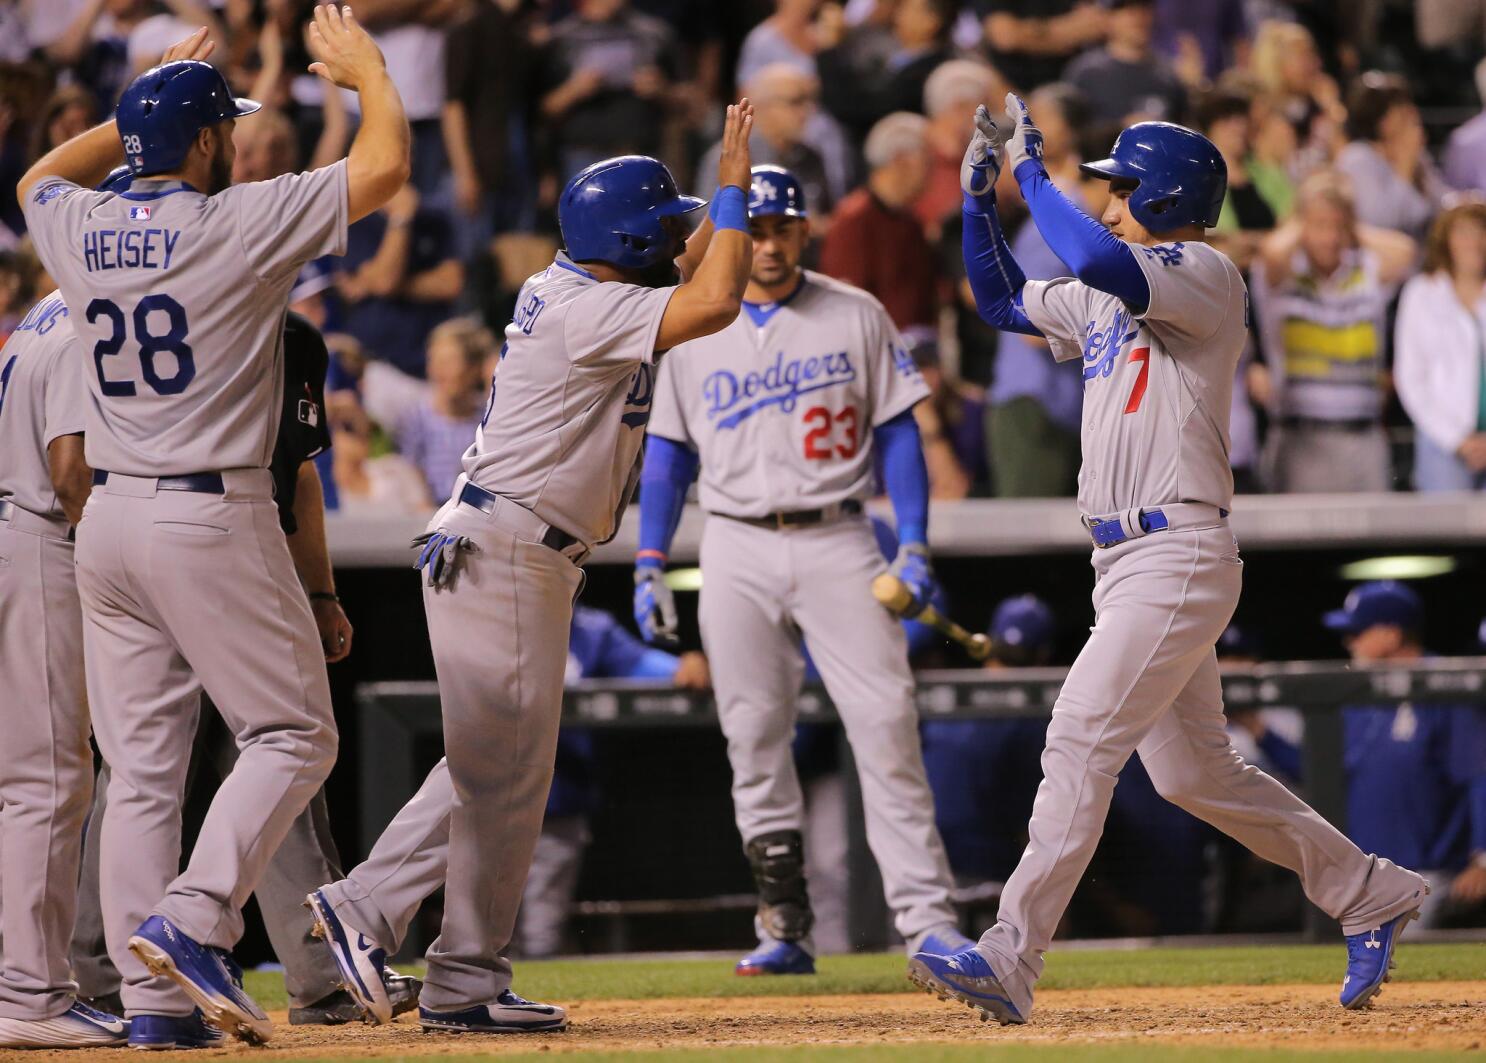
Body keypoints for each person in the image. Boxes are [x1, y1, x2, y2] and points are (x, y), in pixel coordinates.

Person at [911, 94, 1429, 1025]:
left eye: (1120, 186)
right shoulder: (1111, 291)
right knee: (1194, 774)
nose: (1108, 201)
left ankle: (1011, 953)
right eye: (1103, 188)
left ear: (1166, 191)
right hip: (1125, 561)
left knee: (1077, 738)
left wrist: (1037, 177)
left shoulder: (1205, 271)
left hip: (1178, 546)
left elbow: (1104, 254)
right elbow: (997, 300)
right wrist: (979, 201)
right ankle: (1367, 888)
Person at [304, 102, 760, 1032]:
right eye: (665, 228)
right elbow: (715, 298)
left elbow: (683, 262)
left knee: (500, 769)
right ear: (627, 242)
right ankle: (371, 913)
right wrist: (737, 190)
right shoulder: (592, 307)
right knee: (496, 767)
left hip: (514, 543)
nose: (679, 237)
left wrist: (715, 189)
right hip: (509, 544)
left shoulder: (589, 282)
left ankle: (461, 975)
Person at [16, 8, 411, 1044]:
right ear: (205, 143)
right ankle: (194, 920)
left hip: (107, 518)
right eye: (221, 128)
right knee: (293, 732)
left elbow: (36, 176)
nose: (231, 141)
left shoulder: (78, 222)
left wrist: (140, 101)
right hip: (207, 510)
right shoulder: (234, 220)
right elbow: (379, 171)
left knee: (143, 769)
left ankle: (154, 1011)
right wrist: (368, 74)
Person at [634, 163, 971, 977]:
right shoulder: (692, 320)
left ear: (805, 230)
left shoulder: (854, 311)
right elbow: (668, 453)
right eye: (758, 226)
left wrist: (915, 541)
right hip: (735, 541)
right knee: (751, 732)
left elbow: (899, 430)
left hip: (838, 534)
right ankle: (783, 922)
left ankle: (926, 920)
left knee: (886, 719)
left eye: (784, 226)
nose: (772, 242)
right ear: (731, 232)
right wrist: (649, 556)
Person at [64, 277, 421, 1036]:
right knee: (268, 744)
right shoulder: (142, 325)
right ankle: (110, 968)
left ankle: (303, 977)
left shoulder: (297, 339)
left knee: (236, 768)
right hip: (197, 539)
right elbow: (71, 471)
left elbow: (299, 476)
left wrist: (321, 593)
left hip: (205, 548)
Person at [0, 288, 123, 1048]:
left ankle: (28, 980)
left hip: (13, 527)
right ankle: (31, 991)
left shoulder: (38, 314)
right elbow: (71, 470)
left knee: (31, 775)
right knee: (48, 779)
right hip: (40, 535)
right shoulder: (90, 313)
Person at [1238, 584, 1486, 928]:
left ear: (1390, 633)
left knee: (1404, 972)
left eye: (1356, 632)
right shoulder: (1358, 694)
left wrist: (1483, 857)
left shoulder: (1444, 684)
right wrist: (1257, 729)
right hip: (1362, 873)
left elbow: (1477, 775)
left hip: (1427, 872)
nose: (1348, 643)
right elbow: (1325, 771)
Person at [518, 606, 711, 958]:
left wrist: (684, 666)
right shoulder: (488, 615)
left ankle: (515, 1004)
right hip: (486, 793)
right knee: (478, 919)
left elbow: (646, 668)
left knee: (539, 930)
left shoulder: (590, 628)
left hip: (560, 794)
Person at [1250, 172, 1416, 493]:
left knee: (1374, 541)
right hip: (1301, 439)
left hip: (1364, 438)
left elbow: (1405, 252)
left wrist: (1347, 221)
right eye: (1319, 226)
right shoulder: (1284, 275)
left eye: (1336, 227)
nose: (1329, 238)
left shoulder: (1364, 270)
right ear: (1301, 226)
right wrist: (1310, 210)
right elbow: (1270, 250)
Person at [920, 595, 1056, 930]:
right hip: (994, 880)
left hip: (925, 874)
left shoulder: (943, 702)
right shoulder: (1030, 720)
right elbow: (1036, 821)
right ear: (1042, 655)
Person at [984, 84, 1087, 498]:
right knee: (1026, 546)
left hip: (1058, 402)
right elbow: (1030, 319)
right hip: (1033, 401)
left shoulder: (1064, 210)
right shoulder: (1061, 214)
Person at [819, 112, 938, 341]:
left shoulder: (911, 222)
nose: (932, 172)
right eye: (927, 161)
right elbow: (845, 307)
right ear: (901, 160)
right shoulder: (853, 221)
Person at [1394, 199, 1486, 492]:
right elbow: (1411, 377)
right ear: (1446, 240)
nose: (1475, 242)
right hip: (1442, 446)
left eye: (1481, 231)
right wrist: (1456, 438)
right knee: (1445, 535)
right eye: (1464, 232)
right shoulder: (1421, 295)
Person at [338, 183, 463, 377]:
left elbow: (450, 284)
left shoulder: (434, 219)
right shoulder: (355, 220)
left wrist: (379, 282)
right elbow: (385, 282)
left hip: (428, 368)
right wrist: (401, 217)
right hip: (373, 367)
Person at [694, 64, 836, 222]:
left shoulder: (811, 158)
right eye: (795, 102)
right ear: (764, 107)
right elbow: (705, 224)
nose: (806, 112)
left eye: (809, 102)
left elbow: (829, 217)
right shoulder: (728, 156)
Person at [1334, 73, 1448, 243]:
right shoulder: (1356, 158)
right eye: (1401, 110)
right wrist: (1405, 166)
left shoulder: (1415, 154)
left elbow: (1441, 199)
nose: (1412, 115)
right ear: (1381, 120)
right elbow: (1381, 222)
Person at [396, 318, 492, 506]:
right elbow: (409, 474)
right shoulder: (416, 417)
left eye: (449, 362)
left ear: (473, 369)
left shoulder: (488, 418)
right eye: (434, 360)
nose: (439, 371)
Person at [1065, 0, 1185, 126]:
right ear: (1106, 18)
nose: (1137, 16)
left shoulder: (1169, 74)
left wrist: (1194, 89)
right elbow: (1072, 133)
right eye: (1125, 8)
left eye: (1143, 7)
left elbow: (1185, 128)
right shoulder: (1086, 73)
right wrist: (1119, 128)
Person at [975, 0, 1107, 94]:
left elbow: (1096, 24)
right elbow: (1005, 36)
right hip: (1016, 93)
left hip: (1075, 91)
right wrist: (1068, 31)